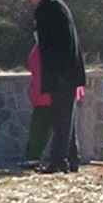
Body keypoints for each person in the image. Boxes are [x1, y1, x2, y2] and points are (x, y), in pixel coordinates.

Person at [22, 0, 85, 174]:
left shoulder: (49, 9)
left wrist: (57, 75)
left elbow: (55, 46)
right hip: (66, 73)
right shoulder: (56, 6)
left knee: (61, 120)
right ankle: (72, 159)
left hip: (61, 75)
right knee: (66, 120)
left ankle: (58, 161)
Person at [26, 33, 84, 168]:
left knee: (42, 128)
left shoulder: (45, 49)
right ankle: (73, 160)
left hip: (47, 95)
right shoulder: (64, 44)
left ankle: (40, 160)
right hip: (61, 92)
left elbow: (39, 72)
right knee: (68, 129)